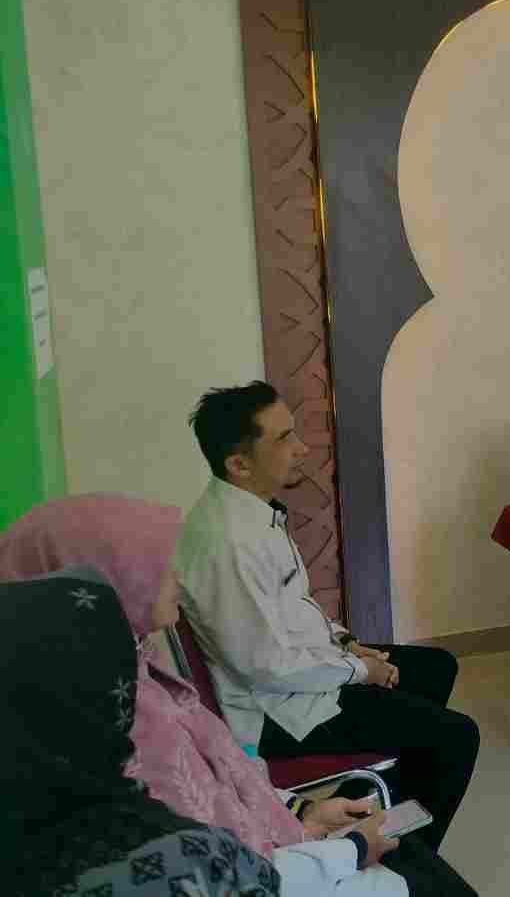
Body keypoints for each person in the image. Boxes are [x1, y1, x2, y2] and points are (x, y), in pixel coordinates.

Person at [0, 494, 477, 896]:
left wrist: (302, 813)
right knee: (446, 754)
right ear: (110, 579)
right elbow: (222, 867)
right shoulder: (113, 723)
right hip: (282, 743)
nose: (178, 578)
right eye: (160, 566)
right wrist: (345, 850)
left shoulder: (137, 667)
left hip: (284, 839)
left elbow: (303, 617)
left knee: (431, 692)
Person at [175, 381, 480, 852]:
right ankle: (399, 856)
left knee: (436, 667)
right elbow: (267, 666)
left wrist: (347, 644)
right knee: (457, 738)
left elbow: (295, 607)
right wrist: (360, 670)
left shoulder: (250, 513)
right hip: (279, 711)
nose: (302, 448)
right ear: (239, 464)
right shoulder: (227, 543)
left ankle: (373, 804)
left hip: (296, 677)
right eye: (284, 439)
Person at [4, 565, 299, 897]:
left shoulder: (150, 677)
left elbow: (225, 782)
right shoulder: (186, 859)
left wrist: (296, 810)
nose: (178, 578)